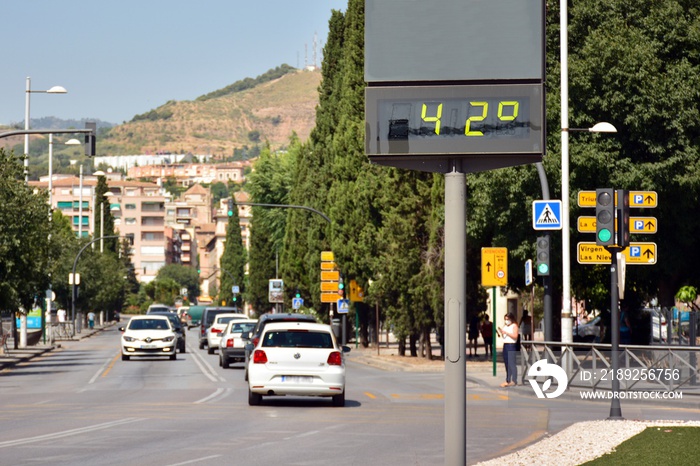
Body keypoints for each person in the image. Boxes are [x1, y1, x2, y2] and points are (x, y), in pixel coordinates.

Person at [497, 313, 519, 387]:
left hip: (511, 345)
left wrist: (507, 333)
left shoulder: (514, 326)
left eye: (508, 319)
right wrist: (502, 332)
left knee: (511, 363)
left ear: (511, 319)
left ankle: (514, 380)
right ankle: (508, 379)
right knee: (506, 362)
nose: (506, 321)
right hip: (505, 345)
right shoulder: (505, 326)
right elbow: (504, 335)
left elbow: (515, 336)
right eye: (505, 319)